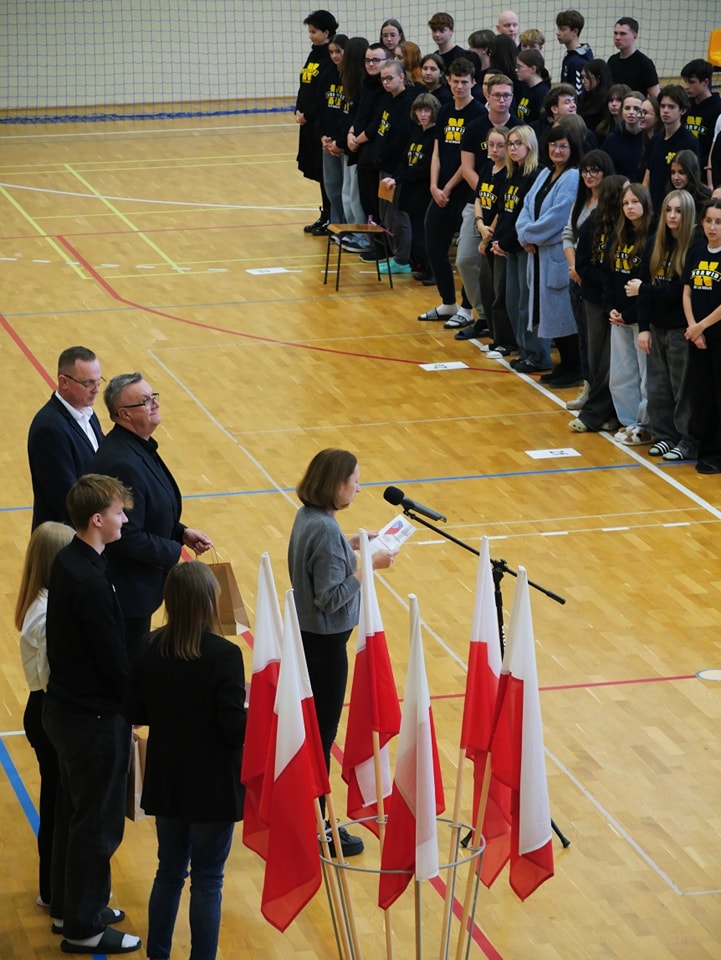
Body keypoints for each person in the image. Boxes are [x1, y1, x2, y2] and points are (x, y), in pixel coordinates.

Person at [125, 562, 246, 960]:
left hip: (168, 776)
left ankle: (158, 955)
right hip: (213, 785)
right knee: (208, 880)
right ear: (209, 602)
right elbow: (233, 729)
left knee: (169, 871)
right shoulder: (225, 655)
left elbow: (135, 710)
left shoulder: (149, 645)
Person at [43, 473, 140, 955]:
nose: (126, 520)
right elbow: (112, 660)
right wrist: (140, 706)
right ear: (97, 520)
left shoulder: (71, 561)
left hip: (66, 709)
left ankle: (72, 905)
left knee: (75, 815)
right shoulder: (90, 581)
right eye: (120, 513)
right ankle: (84, 926)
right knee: (97, 824)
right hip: (93, 720)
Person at [287, 449, 397, 857]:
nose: (359, 488)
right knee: (321, 737)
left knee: (312, 734)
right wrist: (369, 567)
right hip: (325, 647)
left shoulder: (310, 517)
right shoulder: (324, 530)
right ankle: (319, 827)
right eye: (354, 481)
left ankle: (308, 817)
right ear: (336, 485)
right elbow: (330, 597)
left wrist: (351, 544)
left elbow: (322, 558)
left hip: (308, 640)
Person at [90, 374, 213, 664]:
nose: (154, 404)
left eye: (153, 396)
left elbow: (148, 510)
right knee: (127, 669)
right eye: (145, 401)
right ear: (124, 414)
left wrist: (180, 532)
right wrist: (173, 550)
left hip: (138, 588)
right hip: (126, 592)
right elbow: (126, 534)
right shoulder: (122, 462)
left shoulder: (137, 446)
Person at [15, 521, 74, 909]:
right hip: (51, 711)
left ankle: (53, 888)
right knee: (60, 803)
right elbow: (58, 673)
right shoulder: (48, 613)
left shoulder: (39, 602)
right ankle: (56, 891)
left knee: (56, 798)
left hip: (42, 709)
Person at [625, 189, 699, 461]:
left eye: (678, 210)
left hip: (681, 330)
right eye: (668, 210)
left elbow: (679, 292)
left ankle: (688, 441)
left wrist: (645, 290)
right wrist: (644, 328)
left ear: (688, 214)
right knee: (657, 389)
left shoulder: (694, 247)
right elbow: (641, 288)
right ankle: (665, 436)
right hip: (657, 328)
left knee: (683, 390)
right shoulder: (656, 244)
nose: (672, 216)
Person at [417, 58, 484, 323]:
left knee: (467, 255)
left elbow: (468, 162)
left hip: (465, 192)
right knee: (433, 244)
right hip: (440, 190)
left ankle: (467, 308)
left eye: (464, 82)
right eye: (455, 81)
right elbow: (437, 152)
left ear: (473, 82)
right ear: (448, 81)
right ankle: (448, 303)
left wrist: (447, 186)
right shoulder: (444, 111)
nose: (459, 86)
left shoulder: (478, 114)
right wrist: (434, 186)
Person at [516, 119, 582, 386]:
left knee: (564, 316)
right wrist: (524, 233)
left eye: (563, 146)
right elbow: (526, 206)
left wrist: (528, 235)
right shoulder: (545, 173)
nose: (557, 150)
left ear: (572, 148)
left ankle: (575, 369)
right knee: (550, 316)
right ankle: (564, 365)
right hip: (539, 255)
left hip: (556, 256)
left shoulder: (573, 177)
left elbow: (559, 217)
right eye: (553, 145)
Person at [569, 174, 627, 433]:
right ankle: (602, 411)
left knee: (612, 360)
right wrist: (603, 282)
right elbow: (582, 262)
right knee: (596, 357)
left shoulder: (629, 226)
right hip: (594, 298)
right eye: (625, 194)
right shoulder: (593, 222)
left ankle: (601, 413)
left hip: (619, 301)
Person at [27, 345, 105, 531]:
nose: (96, 389)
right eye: (88, 383)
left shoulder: (87, 413)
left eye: (98, 381)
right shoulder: (49, 429)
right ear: (64, 382)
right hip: (67, 537)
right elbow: (67, 498)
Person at [562, 148, 616, 408]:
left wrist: (583, 271)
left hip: (597, 281)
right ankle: (588, 387)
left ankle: (603, 395)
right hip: (577, 277)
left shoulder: (611, 204)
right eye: (585, 171)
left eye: (595, 170)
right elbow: (567, 235)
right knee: (584, 336)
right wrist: (575, 267)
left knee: (600, 342)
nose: (589, 175)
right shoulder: (580, 201)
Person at [606, 182, 655, 445]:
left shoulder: (653, 237)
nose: (630, 207)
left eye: (635, 202)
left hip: (640, 318)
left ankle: (645, 425)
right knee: (622, 373)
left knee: (646, 376)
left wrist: (630, 314)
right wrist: (612, 309)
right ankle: (629, 422)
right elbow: (610, 276)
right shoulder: (619, 236)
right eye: (625, 203)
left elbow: (646, 283)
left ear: (645, 204)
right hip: (619, 316)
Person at [456, 126, 512, 346]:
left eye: (500, 145)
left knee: (495, 285)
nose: (494, 149)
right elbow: (479, 196)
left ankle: (499, 330)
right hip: (482, 225)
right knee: (467, 264)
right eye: (491, 145)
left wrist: (487, 237)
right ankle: (484, 317)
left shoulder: (509, 173)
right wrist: (479, 223)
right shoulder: (488, 167)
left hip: (496, 233)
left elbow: (502, 208)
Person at [490, 125, 541, 364]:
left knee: (525, 303)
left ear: (529, 146)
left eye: (517, 143)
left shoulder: (536, 175)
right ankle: (523, 349)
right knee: (512, 301)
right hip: (509, 246)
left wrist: (506, 242)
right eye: (510, 143)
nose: (512, 148)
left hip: (524, 246)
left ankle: (534, 354)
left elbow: (526, 214)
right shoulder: (511, 174)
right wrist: (496, 240)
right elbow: (504, 211)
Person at [379, 92, 440, 280]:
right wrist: (395, 178)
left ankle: (433, 270)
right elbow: (406, 159)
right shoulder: (416, 132)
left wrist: (399, 179)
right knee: (415, 233)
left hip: (424, 191)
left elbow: (424, 168)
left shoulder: (436, 136)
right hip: (410, 191)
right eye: (419, 110)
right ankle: (421, 265)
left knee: (425, 234)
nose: (423, 114)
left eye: (427, 110)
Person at [683, 198, 721, 474]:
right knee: (702, 396)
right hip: (698, 339)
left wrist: (701, 326)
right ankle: (706, 451)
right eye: (709, 221)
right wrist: (693, 328)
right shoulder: (696, 252)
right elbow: (686, 292)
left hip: (716, 336)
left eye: (719, 222)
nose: (713, 227)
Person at [296, 9, 340, 236]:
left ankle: (332, 216)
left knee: (327, 174)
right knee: (318, 171)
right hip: (308, 125)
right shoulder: (313, 54)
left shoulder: (330, 58)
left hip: (319, 124)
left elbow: (322, 94)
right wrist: (297, 109)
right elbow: (305, 84)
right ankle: (325, 214)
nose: (310, 35)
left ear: (326, 32)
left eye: (314, 31)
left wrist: (309, 114)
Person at [643, 84, 699, 213]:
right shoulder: (656, 140)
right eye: (663, 106)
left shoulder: (689, 142)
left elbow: (693, 183)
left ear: (682, 110)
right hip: (654, 209)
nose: (665, 110)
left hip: (676, 210)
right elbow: (647, 177)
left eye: (671, 107)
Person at [318, 34, 348, 226]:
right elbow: (321, 107)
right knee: (331, 185)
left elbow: (348, 115)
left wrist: (339, 140)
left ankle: (348, 225)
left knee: (347, 188)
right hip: (328, 140)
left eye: (338, 51)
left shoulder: (352, 78)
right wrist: (323, 135)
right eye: (331, 52)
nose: (335, 56)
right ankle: (336, 225)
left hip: (342, 140)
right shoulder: (327, 74)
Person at [606, 17, 660, 98]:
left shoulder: (644, 64)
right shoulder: (612, 61)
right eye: (615, 33)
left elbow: (655, 96)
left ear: (634, 36)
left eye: (623, 34)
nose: (617, 38)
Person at [680, 59, 721, 164]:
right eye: (685, 81)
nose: (686, 86)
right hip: (684, 165)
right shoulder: (685, 105)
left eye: (691, 82)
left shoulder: (717, 108)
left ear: (705, 82)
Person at [601, 90, 645, 181]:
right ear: (621, 111)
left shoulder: (648, 137)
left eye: (636, 109)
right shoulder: (612, 139)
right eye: (627, 108)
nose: (631, 112)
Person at [531, 83, 577, 158]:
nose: (573, 105)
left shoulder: (584, 133)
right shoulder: (540, 134)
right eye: (567, 102)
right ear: (554, 109)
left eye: (573, 101)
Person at [556, 9, 593, 99]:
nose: (557, 33)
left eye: (562, 29)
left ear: (575, 31)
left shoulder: (577, 62)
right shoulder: (570, 56)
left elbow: (578, 95)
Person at [668, 148, 712, 218]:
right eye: (673, 172)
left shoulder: (704, 198)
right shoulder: (670, 195)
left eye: (681, 172)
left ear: (691, 173)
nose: (676, 177)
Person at [578, 59, 613, 136]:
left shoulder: (608, 100)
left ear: (599, 78)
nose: (583, 81)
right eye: (582, 77)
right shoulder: (584, 97)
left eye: (588, 77)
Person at [515, 49, 550, 124]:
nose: (516, 70)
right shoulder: (525, 87)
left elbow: (541, 122)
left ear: (533, 69)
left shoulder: (542, 92)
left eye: (520, 67)